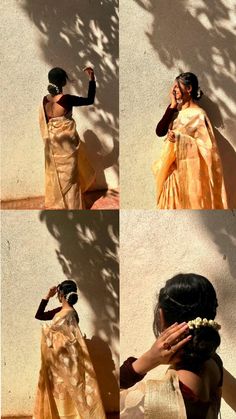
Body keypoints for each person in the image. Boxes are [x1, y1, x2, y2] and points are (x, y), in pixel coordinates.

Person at [120, 273, 223, 419]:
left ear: (161, 316)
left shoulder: (154, 401)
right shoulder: (214, 362)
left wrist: (147, 360)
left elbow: (99, 401)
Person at [153, 72, 227, 209]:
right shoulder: (174, 110)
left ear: (189, 89)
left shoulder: (199, 115)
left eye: (176, 86)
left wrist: (180, 139)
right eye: (173, 87)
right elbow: (159, 131)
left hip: (189, 176)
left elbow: (207, 149)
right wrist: (173, 105)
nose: (173, 90)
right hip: (171, 173)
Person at [33, 280, 106, 419]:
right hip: (57, 362)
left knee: (70, 391)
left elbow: (70, 339)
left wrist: (50, 333)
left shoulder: (69, 314)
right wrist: (47, 297)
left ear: (61, 294)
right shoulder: (59, 312)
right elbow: (39, 315)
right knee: (62, 392)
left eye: (57, 294)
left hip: (67, 362)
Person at [39, 67, 96, 209]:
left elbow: (46, 123)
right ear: (63, 82)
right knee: (71, 176)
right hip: (67, 144)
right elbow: (89, 100)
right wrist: (92, 79)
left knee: (56, 174)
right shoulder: (66, 100)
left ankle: (58, 204)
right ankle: (73, 206)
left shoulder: (44, 101)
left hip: (52, 143)